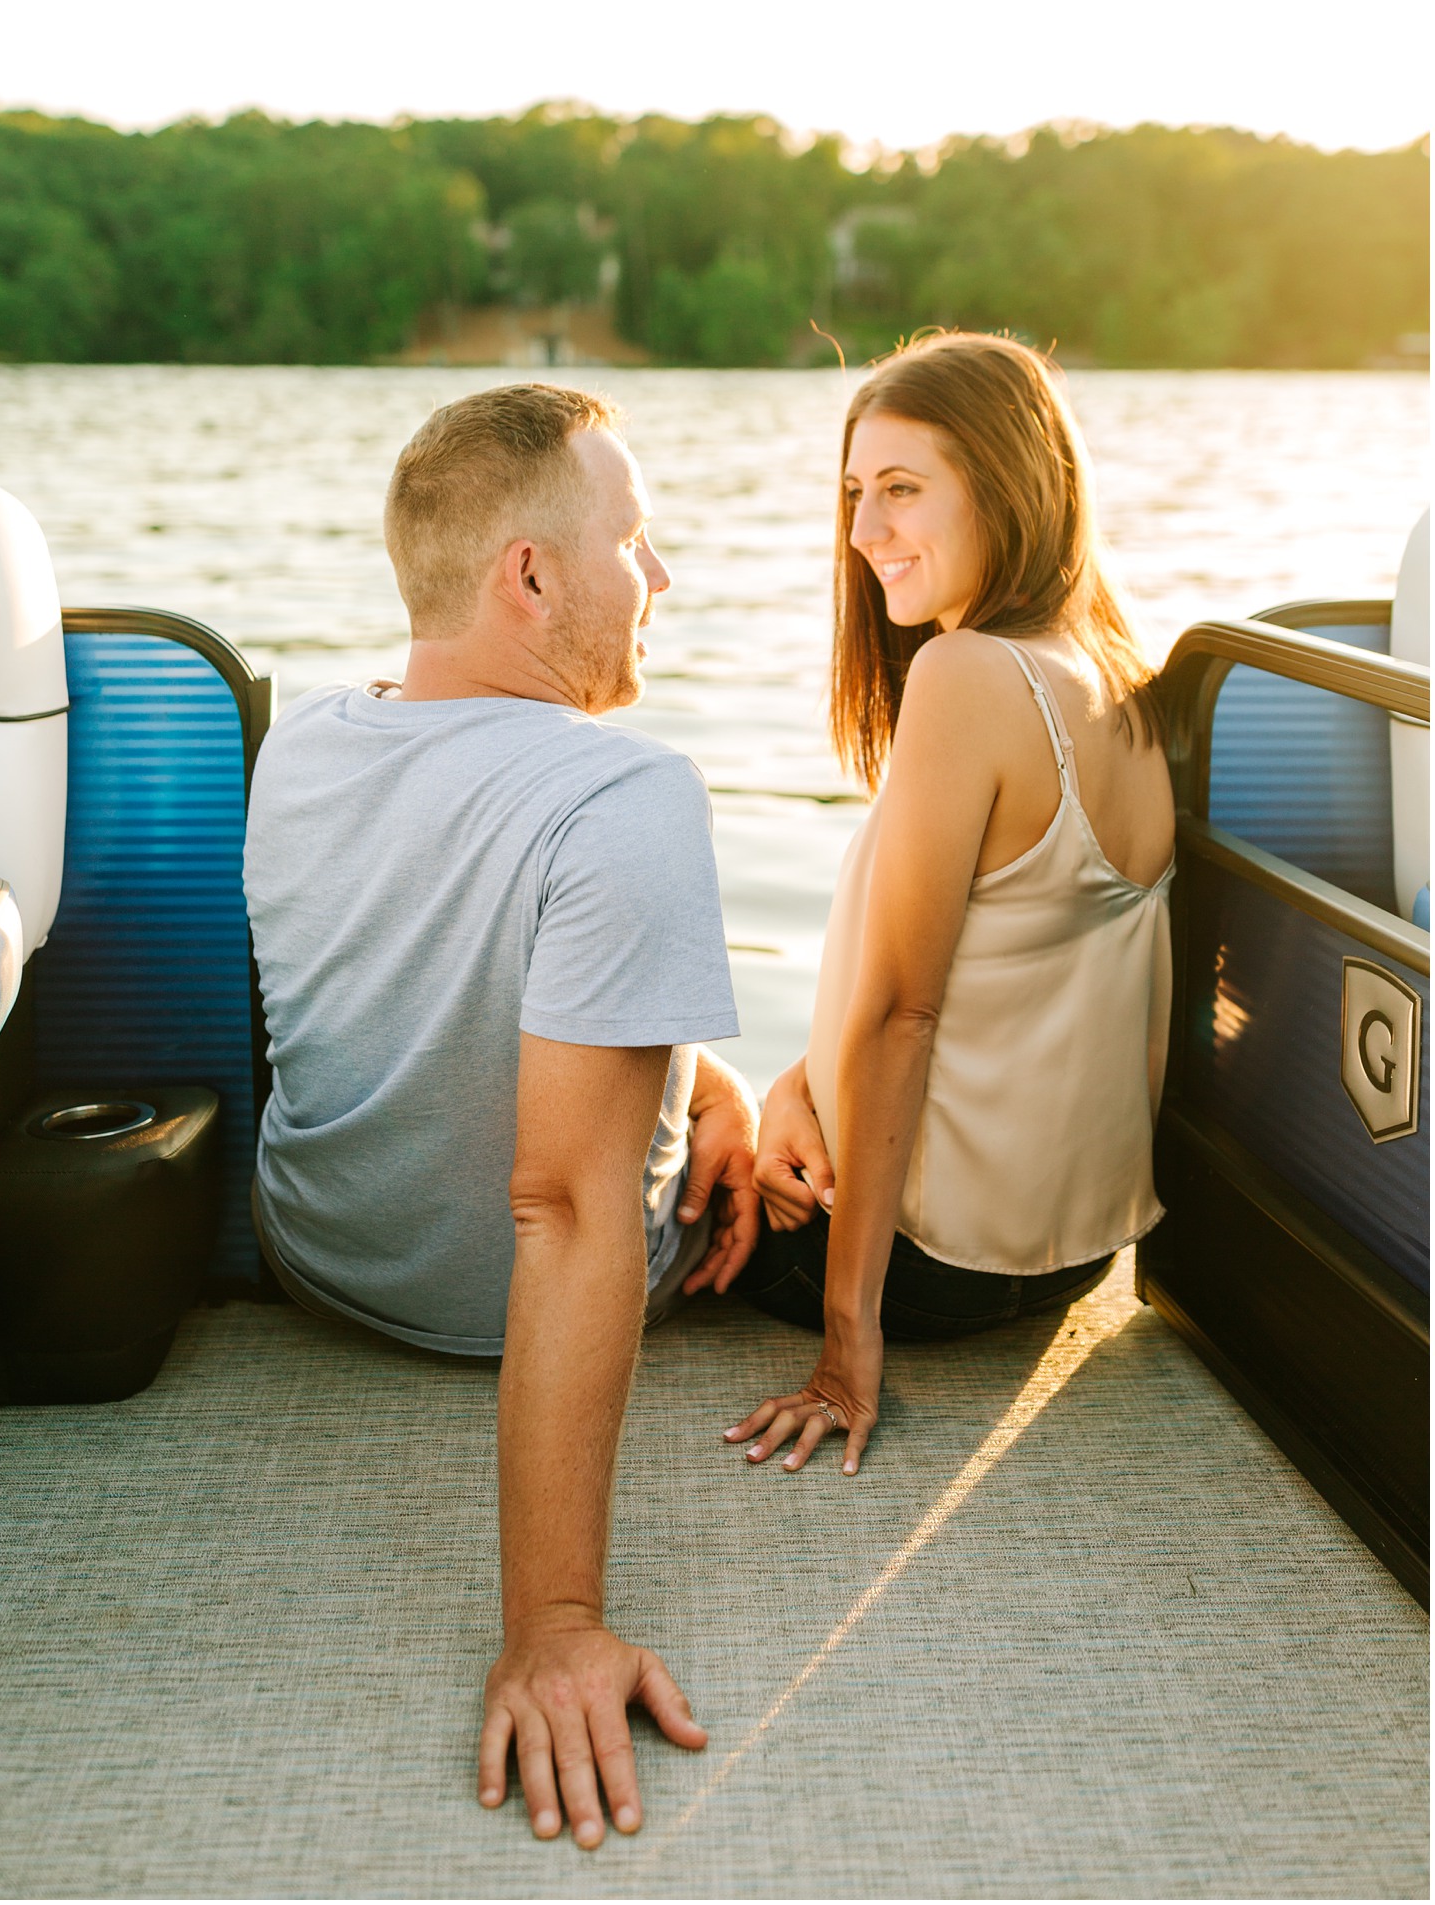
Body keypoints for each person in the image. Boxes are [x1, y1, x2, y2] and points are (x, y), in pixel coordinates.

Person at [243, 383, 761, 1850]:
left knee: (717, 1094)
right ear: (528, 575)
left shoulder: (298, 744)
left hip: (317, 1262)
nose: (659, 577)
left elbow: (431, 994)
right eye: (635, 540)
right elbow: (572, 1209)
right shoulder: (629, 793)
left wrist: (695, 1083)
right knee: (816, 1151)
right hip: (495, 1302)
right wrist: (553, 1623)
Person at [726, 333, 1175, 1475]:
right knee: (742, 1105)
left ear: (1005, 482)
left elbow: (905, 1017)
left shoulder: (969, 675)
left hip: (936, 1264)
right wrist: (798, 1086)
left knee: (645, 1134)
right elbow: (1005, 985)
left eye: (903, 490)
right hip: (1067, 1254)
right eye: (853, 493)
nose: (864, 531)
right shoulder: (1123, 673)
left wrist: (845, 1342)